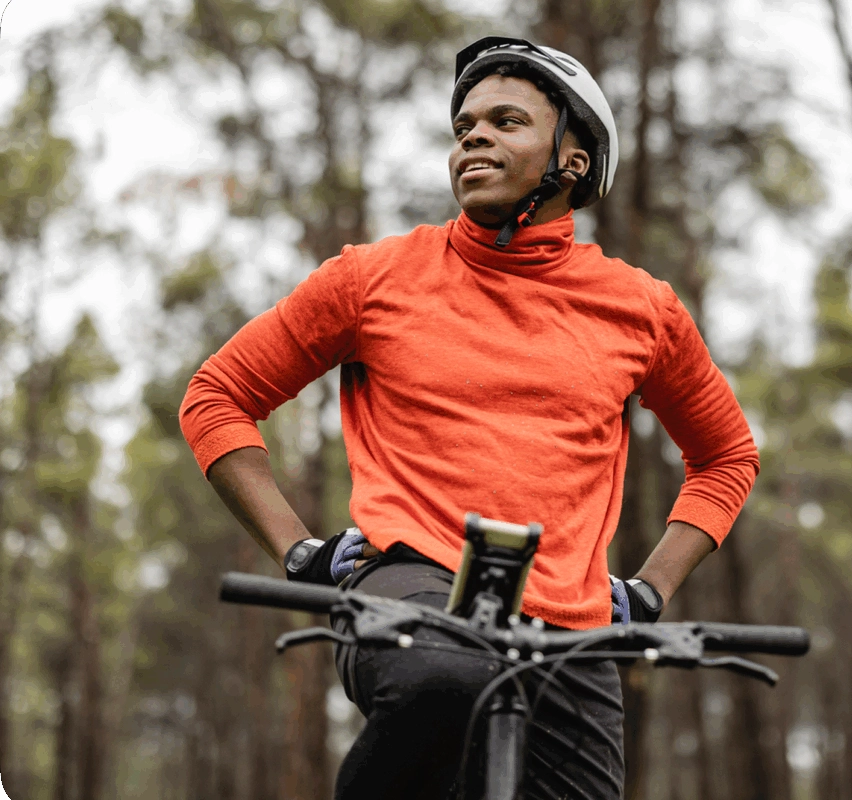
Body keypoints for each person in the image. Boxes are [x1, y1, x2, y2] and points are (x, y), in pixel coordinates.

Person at [179, 36, 759, 799]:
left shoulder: (642, 311)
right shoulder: (373, 278)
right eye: (464, 127)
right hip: (416, 583)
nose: (474, 136)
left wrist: (649, 591)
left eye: (507, 120)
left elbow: (727, 456)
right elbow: (216, 398)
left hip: (572, 631)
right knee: (444, 680)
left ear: (574, 162)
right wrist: (299, 554)